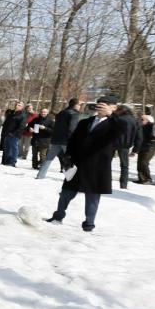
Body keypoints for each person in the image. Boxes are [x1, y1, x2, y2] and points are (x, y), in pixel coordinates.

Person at [45, 96, 124, 232]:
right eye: (99, 104)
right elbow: (73, 140)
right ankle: (58, 216)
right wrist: (67, 157)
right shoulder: (85, 122)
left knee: (92, 196)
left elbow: (124, 131)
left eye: (105, 105)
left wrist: (111, 115)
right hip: (78, 163)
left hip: (97, 166)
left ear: (114, 107)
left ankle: (89, 224)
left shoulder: (115, 124)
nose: (100, 107)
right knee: (66, 192)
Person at [37, 99, 81, 179]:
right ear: (75, 105)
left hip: (56, 139)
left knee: (48, 159)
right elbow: (72, 128)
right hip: (66, 140)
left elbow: (56, 126)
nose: (80, 106)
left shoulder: (61, 113)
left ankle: (40, 176)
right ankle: (71, 179)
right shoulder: (74, 114)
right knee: (71, 159)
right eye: (79, 105)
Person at [114, 104, 139, 189]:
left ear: (121, 111)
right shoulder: (135, 121)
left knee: (105, 163)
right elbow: (139, 137)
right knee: (124, 166)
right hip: (125, 145)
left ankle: (100, 181)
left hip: (112, 143)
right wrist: (135, 150)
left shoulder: (116, 119)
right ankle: (123, 185)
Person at [133, 114, 155, 184]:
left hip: (149, 148)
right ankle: (141, 179)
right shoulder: (142, 126)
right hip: (143, 147)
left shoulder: (152, 126)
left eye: (142, 119)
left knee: (143, 163)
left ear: (148, 120)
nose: (140, 120)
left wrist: (148, 146)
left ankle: (147, 179)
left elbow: (154, 138)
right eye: (140, 119)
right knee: (140, 163)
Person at [1, 101, 27, 166]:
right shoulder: (11, 113)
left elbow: (22, 126)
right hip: (7, 133)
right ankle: (7, 161)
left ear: (22, 107)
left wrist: (14, 133)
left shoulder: (22, 115)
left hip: (15, 135)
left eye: (19, 105)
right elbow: (6, 123)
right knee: (7, 148)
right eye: (16, 105)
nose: (17, 106)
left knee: (13, 148)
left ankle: (13, 162)